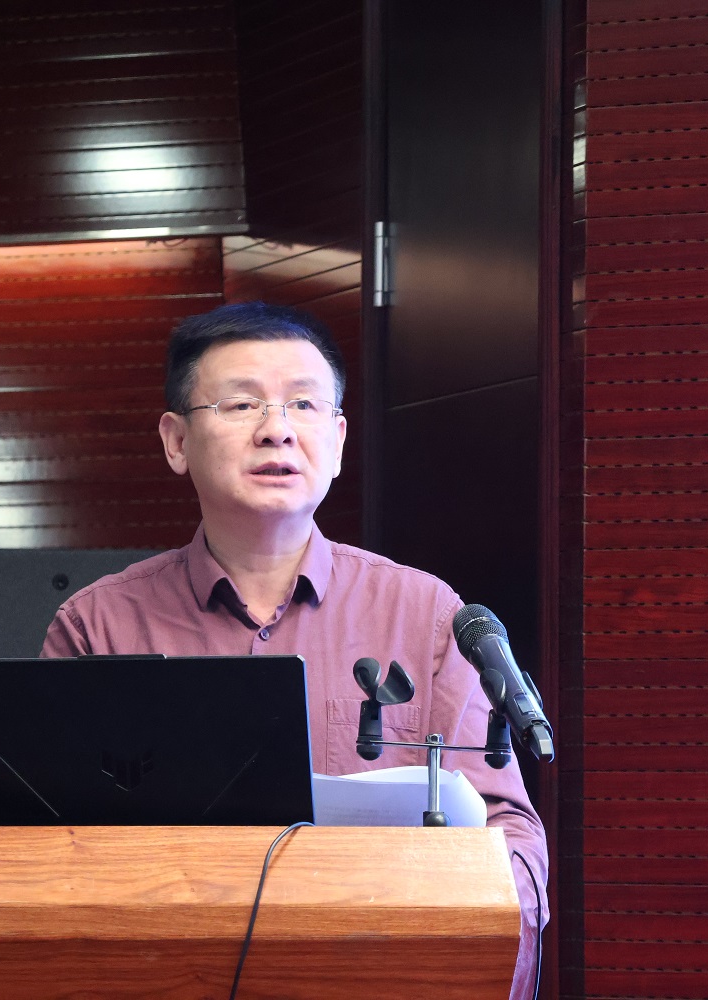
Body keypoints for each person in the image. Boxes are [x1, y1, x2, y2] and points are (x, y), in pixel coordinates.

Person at [41, 300, 548, 1000]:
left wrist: (464, 945)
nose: (276, 429)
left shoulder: (428, 615)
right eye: (240, 404)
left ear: (336, 441)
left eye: (303, 405)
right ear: (176, 441)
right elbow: (50, 854)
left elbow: (505, 829)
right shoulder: (97, 627)